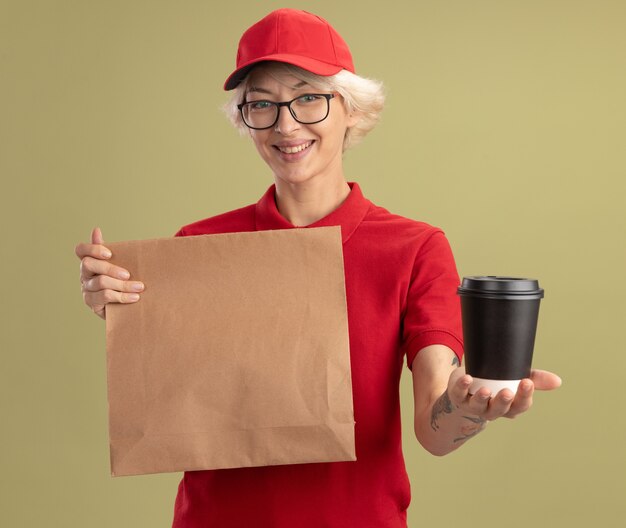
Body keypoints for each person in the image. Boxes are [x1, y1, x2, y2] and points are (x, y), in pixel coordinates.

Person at [75, 8, 561, 528]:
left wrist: (468, 407)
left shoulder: (414, 248)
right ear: (245, 120)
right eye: (261, 104)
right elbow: (180, 402)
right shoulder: (199, 246)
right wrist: (127, 316)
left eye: (309, 97)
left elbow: (432, 429)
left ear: (351, 109)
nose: (286, 125)